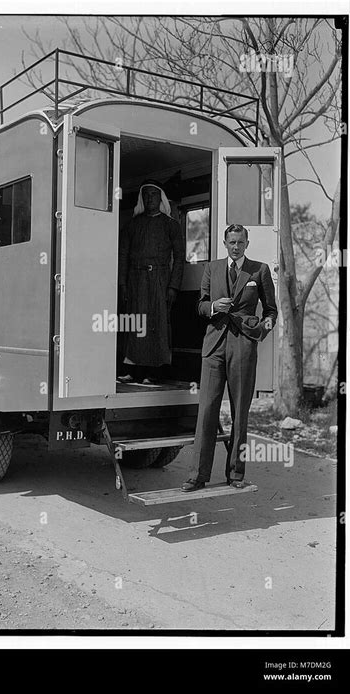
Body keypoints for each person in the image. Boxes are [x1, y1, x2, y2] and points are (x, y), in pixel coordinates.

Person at [181, 224, 278, 490]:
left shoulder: (259, 270)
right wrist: (213, 306)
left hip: (244, 347)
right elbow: (200, 306)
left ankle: (235, 474)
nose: (236, 246)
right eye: (231, 242)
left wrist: (259, 332)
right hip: (214, 347)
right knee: (207, 411)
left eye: (240, 242)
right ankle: (198, 476)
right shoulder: (212, 268)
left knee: (240, 413)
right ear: (224, 243)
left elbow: (272, 311)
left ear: (247, 242)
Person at [117, 180, 185, 384]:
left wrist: (173, 286)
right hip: (136, 279)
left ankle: (153, 372)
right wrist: (122, 283)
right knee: (134, 321)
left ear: (161, 197)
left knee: (156, 323)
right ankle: (131, 370)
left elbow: (180, 257)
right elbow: (123, 255)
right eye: (146, 195)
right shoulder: (132, 225)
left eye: (154, 195)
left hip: (160, 279)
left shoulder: (170, 224)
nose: (150, 198)